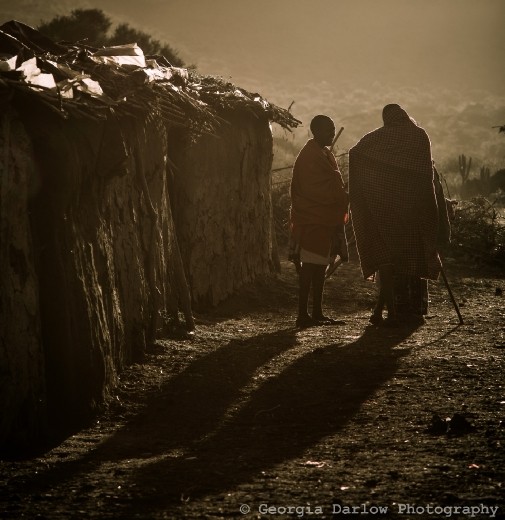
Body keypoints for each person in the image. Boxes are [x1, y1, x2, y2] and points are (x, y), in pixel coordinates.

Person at [348, 104, 450, 326]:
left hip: (386, 213)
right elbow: (425, 176)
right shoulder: (419, 136)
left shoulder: (379, 139)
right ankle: (415, 309)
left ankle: (393, 309)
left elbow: (356, 153)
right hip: (415, 212)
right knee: (414, 257)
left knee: (390, 263)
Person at [290, 115, 349, 328]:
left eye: (333, 130)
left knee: (320, 265)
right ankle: (302, 314)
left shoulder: (324, 154)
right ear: (315, 131)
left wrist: (339, 196)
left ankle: (316, 312)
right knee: (309, 267)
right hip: (311, 216)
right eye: (328, 130)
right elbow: (310, 189)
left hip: (324, 218)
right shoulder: (309, 156)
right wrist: (336, 196)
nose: (332, 134)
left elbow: (331, 184)